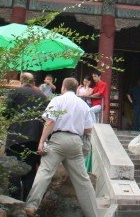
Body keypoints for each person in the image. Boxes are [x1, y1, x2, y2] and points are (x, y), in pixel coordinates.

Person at [24, 77, 97, 217]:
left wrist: (41, 142)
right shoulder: (83, 105)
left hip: (58, 140)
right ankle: (93, 214)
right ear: (75, 89)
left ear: (63, 87)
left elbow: (50, 122)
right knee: (83, 181)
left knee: (45, 172)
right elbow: (88, 129)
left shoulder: (57, 100)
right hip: (76, 142)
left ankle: (31, 206)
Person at [6, 72, 47, 201]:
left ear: (21, 81)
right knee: (30, 171)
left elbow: (6, 113)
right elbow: (46, 118)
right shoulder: (42, 96)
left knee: (13, 170)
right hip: (35, 138)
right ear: (33, 82)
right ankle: (27, 203)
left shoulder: (14, 92)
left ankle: (14, 202)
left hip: (15, 137)